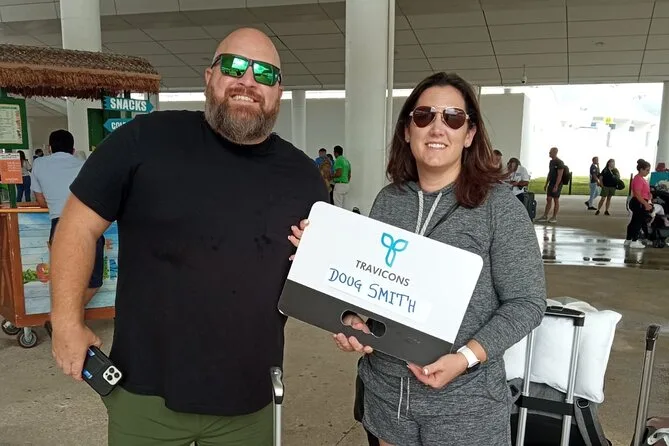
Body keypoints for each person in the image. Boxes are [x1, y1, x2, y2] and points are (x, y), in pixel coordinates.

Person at [49, 27, 328, 446]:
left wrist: (318, 265)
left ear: (278, 92)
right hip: (144, 395)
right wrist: (66, 321)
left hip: (250, 399)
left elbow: (324, 277)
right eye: (234, 66)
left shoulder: (304, 178)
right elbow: (76, 225)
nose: (248, 81)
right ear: (209, 77)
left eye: (264, 73)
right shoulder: (144, 139)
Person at [289, 72, 547, 445]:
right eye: (424, 116)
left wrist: (465, 357)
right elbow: (368, 286)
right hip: (386, 400)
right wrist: (352, 321)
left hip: (466, 407)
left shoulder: (499, 208)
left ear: (469, 134)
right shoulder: (388, 201)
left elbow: (527, 302)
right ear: (408, 130)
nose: (437, 127)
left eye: (453, 117)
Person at [31, 129, 104, 304]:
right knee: (94, 281)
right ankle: (71, 315)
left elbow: (40, 201)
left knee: (64, 282)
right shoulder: (84, 165)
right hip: (87, 225)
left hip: (59, 227)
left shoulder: (39, 164)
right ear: (73, 149)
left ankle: (67, 315)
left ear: (50, 148)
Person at [625, 159, 653, 248]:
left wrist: (649, 196)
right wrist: (645, 204)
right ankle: (634, 241)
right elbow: (637, 194)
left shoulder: (641, 179)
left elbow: (643, 192)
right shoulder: (638, 179)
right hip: (639, 202)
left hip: (640, 202)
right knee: (638, 222)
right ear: (641, 169)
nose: (648, 172)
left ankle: (628, 239)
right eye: (647, 170)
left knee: (634, 221)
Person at [536, 147, 565, 223]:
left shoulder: (560, 162)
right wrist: (546, 183)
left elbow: (560, 175)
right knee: (548, 199)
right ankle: (545, 216)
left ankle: (554, 217)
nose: (549, 153)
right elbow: (550, 173)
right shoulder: (551, 162)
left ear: (555, 153)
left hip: (557, 183)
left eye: (550, 152)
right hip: (551, 182)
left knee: (556, 199)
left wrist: (556, 186)